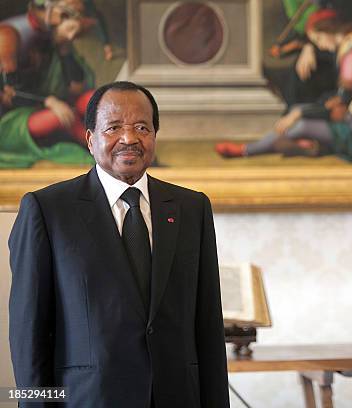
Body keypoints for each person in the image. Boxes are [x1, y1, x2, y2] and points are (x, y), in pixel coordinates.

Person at [9, 81, 229, 407]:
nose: (129, 139)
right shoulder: (48, 210)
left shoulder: (191, 208)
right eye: (113, 128)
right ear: (90, 139)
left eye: (142, 127)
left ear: (154, 135)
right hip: (88, 398)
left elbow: (208, 325)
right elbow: (29, 334)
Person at [216, 7, 352, 164]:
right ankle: (310, 145)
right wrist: (302, 111)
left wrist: (299, 114)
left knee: (300, 125)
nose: (321, 46)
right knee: (299, 112)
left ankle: (245, 150)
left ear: (329, 30)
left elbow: (340, 110)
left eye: (318, 39)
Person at [0, 0, 95, 168]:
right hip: (13, 119)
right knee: (60, 117)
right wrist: (49, 102)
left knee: (93, 99)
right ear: (48, 9)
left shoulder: (51, 36)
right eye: (67, 14)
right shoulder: (9, 35)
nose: (72, 22)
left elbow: (77, 87)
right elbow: (10, 94)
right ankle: (99, 151)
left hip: (52, 105)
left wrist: (64, 48)